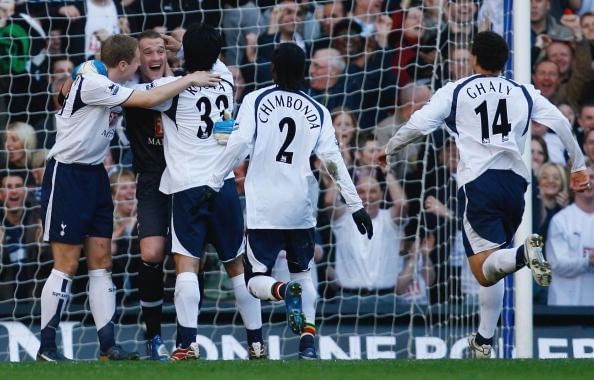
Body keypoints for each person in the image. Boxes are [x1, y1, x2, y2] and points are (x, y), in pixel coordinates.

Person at [384, 31, 589, 358]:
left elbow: (419, 123)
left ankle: (523, 256)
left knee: (483, 268)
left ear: (474, 59)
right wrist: (578, 165)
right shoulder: (522, 91)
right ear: (505, 60)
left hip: (479, 183)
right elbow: (562, 123)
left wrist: (389, 149)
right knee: (494, 263)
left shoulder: (456, 91)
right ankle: (485, 339)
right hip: (517, 186)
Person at [37, 34, 220, 362]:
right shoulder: (93, 82)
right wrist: (189, 77)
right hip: (67, 174)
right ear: (124, 64)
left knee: (102, 262)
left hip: (95, 176)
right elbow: (147, 100)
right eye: (138, 58)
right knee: (65, 264)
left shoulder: (98, 74)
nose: (141, 63)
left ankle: (108, 346)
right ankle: (47, 347)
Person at [201, 43, 374, 360]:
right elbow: (333, 162)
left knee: (254, 281)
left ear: (273, 71)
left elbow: (238, 145)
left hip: (265, 208)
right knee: (304, 275)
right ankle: (308, 345)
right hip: (301, 208)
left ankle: (281, 293)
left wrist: (212, 182)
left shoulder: (256, 99)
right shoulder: (318, 111)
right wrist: (357, 206)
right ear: (305, 72)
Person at [139, 24, 265, 361]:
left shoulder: (171, 88)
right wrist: (182, 47)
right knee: (236, 266)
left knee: (186, 265)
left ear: (184, 56)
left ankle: (187, 344)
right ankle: (256, 342)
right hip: (222, 182)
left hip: (189, 186)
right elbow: (209, 58)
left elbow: (139, 96)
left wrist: (173, 56)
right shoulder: (225, 79)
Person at [546, 165, 594, 306]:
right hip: (564, 307)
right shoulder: (560, 220)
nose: (589, 182)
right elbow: (556, 263)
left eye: (592, 177)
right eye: (583, 178)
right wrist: (588, 261)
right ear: (573, 184)